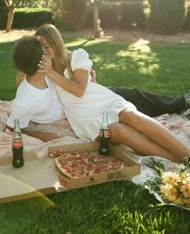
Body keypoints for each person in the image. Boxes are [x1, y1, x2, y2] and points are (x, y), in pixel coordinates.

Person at [36, 24, 190, 162]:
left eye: (47, 46)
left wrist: (51, 72)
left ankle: (187, 154)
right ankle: (180, 161)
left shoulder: (76, 56)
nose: (44, 51)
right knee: (122, 133)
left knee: (133, 116)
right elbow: (28, 87)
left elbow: (79, 90)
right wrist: (47, 72)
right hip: (84, 117)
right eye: (40, 48)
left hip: (102, 99)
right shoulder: (45, 72)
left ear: (56, 43)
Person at [6, 36, 74, 142]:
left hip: (69, 111)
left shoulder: (48, 73)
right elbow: (11, 129)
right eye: (45, 51)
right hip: (55, 123)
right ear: (43, 60)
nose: (48, 53)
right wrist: (39, 134)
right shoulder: (24, 102)